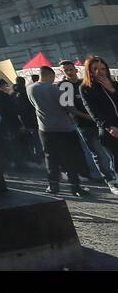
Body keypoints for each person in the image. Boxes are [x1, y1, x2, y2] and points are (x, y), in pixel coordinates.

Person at [27, 66, 88, 197]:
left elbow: (34, 105)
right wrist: (89, 117)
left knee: (50, 158)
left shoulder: (30, 89)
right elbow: (71, 110)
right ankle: (75, 187)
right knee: (70, 158)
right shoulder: (58, 90)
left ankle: (53, 186)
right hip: (65, 129)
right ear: (51, 75)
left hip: (45, 129)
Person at [60, 60, 117, 190]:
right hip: (85, 124)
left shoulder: (85, 83)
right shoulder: (64, 86)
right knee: (97, 153)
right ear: (62, 72)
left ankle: (113, 176)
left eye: (71, 69)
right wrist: (90, 117)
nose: (69, 72)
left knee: (110, 153)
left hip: (101, 123)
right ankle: (109, 180)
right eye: (66, 70)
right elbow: (69, 108)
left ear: (76, 69)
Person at [79, 57, 118, 193]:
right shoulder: (86, 88)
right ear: (89, 71)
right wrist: (108, 126)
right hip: (109, 129)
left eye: (102, 69)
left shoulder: (114, 84)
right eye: (95, 69)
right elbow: (93, 111)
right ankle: (114, 181)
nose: (99, 72)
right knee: (115, 157)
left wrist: (112, 89)